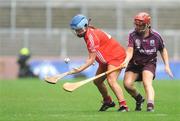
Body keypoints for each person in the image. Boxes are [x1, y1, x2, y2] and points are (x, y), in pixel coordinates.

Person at [69, 14, 129, 112]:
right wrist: (90, 61)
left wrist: (80, 69)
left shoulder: (91, 37)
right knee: (97, 81)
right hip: (106, 60)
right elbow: (93, 54)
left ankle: (123, 105)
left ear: (85, 26)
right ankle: (108, 101)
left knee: (111, 80)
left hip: (116, 56)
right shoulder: (88, 33)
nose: (77, 33)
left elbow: (91, 60)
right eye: (76, 30)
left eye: (79, 30)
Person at [121, 12, 174, 112]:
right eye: (136, 25)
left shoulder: (156, 36)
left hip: (149, 63)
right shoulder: (132, 35)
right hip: (135, 64)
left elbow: (163, 50)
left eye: (140, 25)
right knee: (127, 84)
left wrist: (167, 65)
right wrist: (126, 61)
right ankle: (139, 99)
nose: (137, 27)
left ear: (147, 25)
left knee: (147, 82)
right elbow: (130, 50)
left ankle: (150, 105)